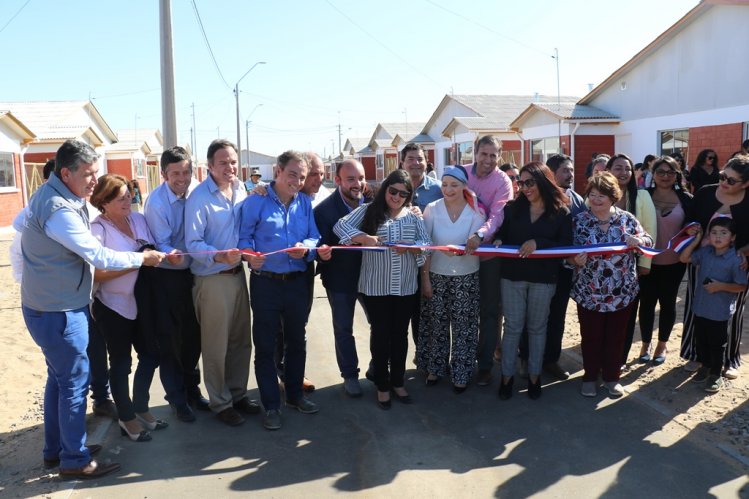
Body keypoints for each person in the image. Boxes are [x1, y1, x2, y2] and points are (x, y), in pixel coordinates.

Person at [21, 139, 164, 478]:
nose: (93, 181)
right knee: (72, 384)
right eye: (87, 174)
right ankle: (75, 460)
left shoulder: (63, 198)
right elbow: (97, 256)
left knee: (59, 381)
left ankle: (58, 451)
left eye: (95, 173)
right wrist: (141, 258)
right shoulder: (58, 209)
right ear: (65, 172)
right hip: (59, 310)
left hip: (52, 305)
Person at [240, 150, 331, 431]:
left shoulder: (304, 202)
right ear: (277, 171)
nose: (297, 181)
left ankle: (294, 396)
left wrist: (307, 247)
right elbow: (243, 239)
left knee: (296, 341)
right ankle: (271, 406)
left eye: (302, 177)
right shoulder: (256, 201)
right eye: (292, 174)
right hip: (265, 283)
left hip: (296, 283)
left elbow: (314, 236)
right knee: (265, 346)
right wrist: (249, 255)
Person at [334, 169, 431, 410]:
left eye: (403, 193)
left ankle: (398, 382)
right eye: (393, 191)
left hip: (405, 286)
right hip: (376, 286)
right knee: (380, 334)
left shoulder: (414, 217)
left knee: (400, 335)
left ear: (409, 196)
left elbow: (427, 245)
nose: (396, 197)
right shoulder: (370, 211)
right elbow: (340, 226)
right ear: (386, 189)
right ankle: (382, 385)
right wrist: (364, 238)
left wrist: (411, 248)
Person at [184, 139, 257, 427]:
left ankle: (238, 394)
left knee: (241, 341)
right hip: (212, 280)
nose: (230, 167)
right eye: (223, 162)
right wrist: (219, 256)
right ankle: (220, 402)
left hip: (238, 276)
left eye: (233, 161)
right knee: (216, 346)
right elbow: (193, 243)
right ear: (210, 166)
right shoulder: (199, 198)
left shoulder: (241, 189)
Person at [89, 174, 166, 442]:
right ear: (103, 201)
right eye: (120, 197)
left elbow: (152, 250)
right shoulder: (97, 230)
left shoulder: (139, 219)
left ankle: (141, 407)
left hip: (144, 302)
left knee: (151, 355)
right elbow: (98, 273)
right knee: (121, 363)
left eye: (128, 195)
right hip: (113, 306)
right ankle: (126, 416)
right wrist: (139, 262)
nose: (128, 201)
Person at [568, 172, 653, 398]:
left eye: (601, 195)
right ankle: (589, 377)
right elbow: (565, 253)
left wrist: (639, 241)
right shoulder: (579, 221)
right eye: (592, 195)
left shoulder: (626, 219)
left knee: (616, 336)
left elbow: (649, 241)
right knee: (591, 336)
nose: (596, 200)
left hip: (622, 291)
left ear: (613, 196)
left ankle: (612, 378)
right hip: (589, 292)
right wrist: (573, 260)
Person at [495, 162, 572, 400]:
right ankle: (506, 377)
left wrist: (539, 243)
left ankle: (534, 376)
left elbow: (566, 245)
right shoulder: (512, 209)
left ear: (543, 181)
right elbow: (502, 233)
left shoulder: (561, 212)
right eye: (521, 182)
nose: (524, 187)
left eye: (530, 182)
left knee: (538, 329)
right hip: (512, 277)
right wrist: (497, 240)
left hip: (544, 279)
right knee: (513, 329)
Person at [143, 146, 209, 420]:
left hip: (195, 273)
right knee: (171, 340)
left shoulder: (197, 191)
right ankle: (177, 399)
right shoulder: (156, 204)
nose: (182, 178)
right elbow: (164, 245)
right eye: (175, 174)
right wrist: (179, 255)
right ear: (163, 174)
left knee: (194, 337)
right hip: (169, 276)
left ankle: (192, 389)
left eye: (186, 172)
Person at [518, 153, 585, 380]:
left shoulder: (577, 200)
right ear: (551, 173)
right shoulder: (533, 199)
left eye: (572, 170)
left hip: (564, 270)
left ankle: (551, 360)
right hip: (536, 270)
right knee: (532, 316)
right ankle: (525, 357)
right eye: (566, 170)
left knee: (557, 316)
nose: (571, 175)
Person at [418, 165, 485, 393]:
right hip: (436, 275)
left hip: (466, 278)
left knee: (464, 327)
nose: (448, 189)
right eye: (445, 184)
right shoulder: (432, 209)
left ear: (464, 187)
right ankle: (435, 368)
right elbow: (425, 247)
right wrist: (425, 278)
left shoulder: (476, 213)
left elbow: (476, 246)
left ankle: (462, 372)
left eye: (454, 185)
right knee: (436, 324)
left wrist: (463, 249)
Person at [681, 155, 749, 379]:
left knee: (732, 313)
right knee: (695, 307)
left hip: (736, 264)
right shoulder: (705, 192)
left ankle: (729, 359)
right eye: (722, 176)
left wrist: (744, 252)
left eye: (731, 180)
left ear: (745, 183)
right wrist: (691, 232)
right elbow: (689, 222)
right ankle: (695, 355)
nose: (724, 182)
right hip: (702, 261)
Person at [314, 159, 372, 398]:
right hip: (339, 279)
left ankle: (378, 367)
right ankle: (350, 374)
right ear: (337, 180)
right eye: (350, 179)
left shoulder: (374, 203)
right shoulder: (323, 211)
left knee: (378, 325)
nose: (357, 184)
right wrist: (323, 254)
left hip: (371, 277)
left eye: (360, 178)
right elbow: (317, 246)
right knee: (343, 328)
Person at [465, 135, 514, 387]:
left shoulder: (503, 181)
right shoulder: (461, 174)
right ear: (475, 152)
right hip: (460, 256)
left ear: (499, 156)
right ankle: (461, 361)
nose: (488, 160)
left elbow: (498, 216)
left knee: (490, 312)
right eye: (484, 154)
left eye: (493, 155)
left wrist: (481, 234)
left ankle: (484, 366)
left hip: (489, 257)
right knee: (462, 310)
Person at [679, 218, 748, 392]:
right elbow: (684, 258)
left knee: (718, 344)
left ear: (732, 237)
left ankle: (715, 374)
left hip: (720, 311)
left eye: (723, 233)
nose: (718, 237)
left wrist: (721, 286)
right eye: (714, 232)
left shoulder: (736, 259)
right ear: (709, 235)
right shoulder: (705, 252)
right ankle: (704, 367)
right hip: (701, 307)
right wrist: (696, 240)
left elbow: (742, 285)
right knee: (701, 340)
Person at [637, 156, 693, 365]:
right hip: (645, 261)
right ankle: (645, 343)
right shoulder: (643, 195)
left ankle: (662, 345)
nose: (665, 176)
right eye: (661, 172)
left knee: (668, 304)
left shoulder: (686, 198)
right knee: (647, 303)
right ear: (653, 174)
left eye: (670, 172)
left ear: (677, 175)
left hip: (674, 262)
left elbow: (692, 223)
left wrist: (693, 228)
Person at [605, 153, 657, 366]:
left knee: (626, 316)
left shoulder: (642, 196)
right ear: (608, 171)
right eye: (618, 168)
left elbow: (650, 230)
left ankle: (618, 360)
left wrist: (645, 263)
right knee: (604, 314)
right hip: (602, 267)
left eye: (627, 168)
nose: (623, 172)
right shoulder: (596, 195)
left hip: (632, 266)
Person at [400, 143, 442, 349]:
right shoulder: (393, 187)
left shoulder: (439, 189)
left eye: (420, 159)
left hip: (429, 260)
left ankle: (423, 355)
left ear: (426, 162)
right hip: (399, 260)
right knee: (398, 314)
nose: (416, 163)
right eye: (411, 159)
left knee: (425, 313)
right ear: (402, 162)